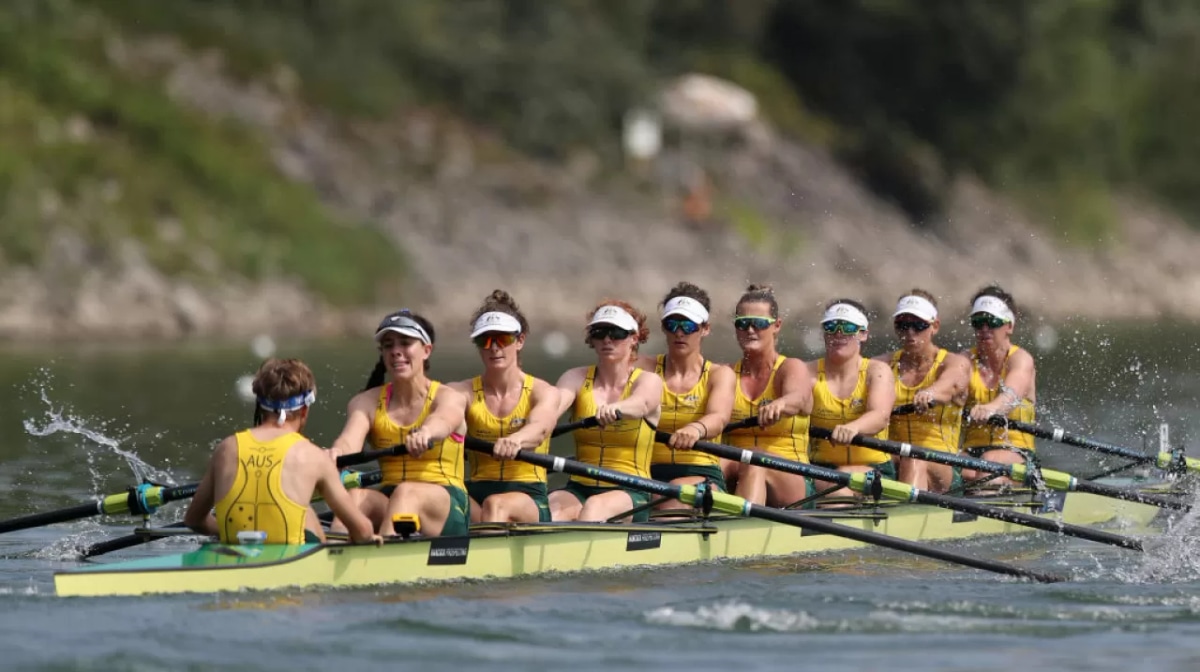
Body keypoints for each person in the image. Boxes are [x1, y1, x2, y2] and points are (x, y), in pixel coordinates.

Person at [184, 358, 380, 546]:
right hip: (293, 564)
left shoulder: (226, 448)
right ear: (304, 411)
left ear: (260, 407)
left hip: (232, 554)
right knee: (306, 512)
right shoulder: (313, 456)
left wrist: (227, 531)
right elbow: (362, 531)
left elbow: (193, 520)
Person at [328, 310, 470, 537]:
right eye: (388, 345)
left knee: (406, 493)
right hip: (391, 498)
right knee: (354, 497)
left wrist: (426, 433)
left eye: (405, 343)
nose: (396, 352)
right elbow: (349, 441)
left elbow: (443, 420)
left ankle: (382, 560)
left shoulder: (449, 397)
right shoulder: (366, 402)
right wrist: (337, 453)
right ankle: (334, 554)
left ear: (426, 350)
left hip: (445, 503)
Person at [448, 291, 559, 524]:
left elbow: (540, 428)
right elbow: (442, 413)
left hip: (528, 495)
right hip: (476, 491)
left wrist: (516, 440)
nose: (494, 347)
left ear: (520, 341)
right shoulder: (460, 392)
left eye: (502, 339)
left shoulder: (543, 392)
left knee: (496, 504)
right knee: (434, 495)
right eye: (484, 340)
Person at [549, 301, 663, 522]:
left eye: (616, 333)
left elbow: (641, 404)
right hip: (579, 487)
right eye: (600, 332)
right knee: (550, 510)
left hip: (632, 490)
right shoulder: (575, 377)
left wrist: (617, 408)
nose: (607, 340)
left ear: (634, 339)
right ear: (592, 339)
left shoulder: (649, 380)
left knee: (594, 507)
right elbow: (551, 407)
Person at [635, 282, 735, 509]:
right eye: (672, 324)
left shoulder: (719, 375)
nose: (679, 332)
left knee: (669, 498)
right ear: (663, 328)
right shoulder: (643, 367)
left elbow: (719, 417)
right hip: (644, 471)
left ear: (705, 328)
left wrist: (696, 429)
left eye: (688, 326)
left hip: (699, 473)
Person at [722, 285, 813, 507]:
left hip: (792, 477)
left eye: (760, 323)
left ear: (777, 326)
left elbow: (798, 398)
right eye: (743, 323)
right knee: (708, 464)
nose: (750, 330)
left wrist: (780, 404)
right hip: (738, 467)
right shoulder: (724, 373)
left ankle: (743, 531)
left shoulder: (791, 368)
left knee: (754, 458)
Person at [875, 291, 970, 492]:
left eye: (918, 325)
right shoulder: (880, 365)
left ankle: (904, 518)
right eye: (903, 324)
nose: (910, 332)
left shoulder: (954, 363)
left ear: (934, 326)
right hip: (892, 456)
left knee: (913, 459)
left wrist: (931, 394)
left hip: (942, 463)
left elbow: (950, 385)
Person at [807, 299, 896, 497]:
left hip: (874, 468)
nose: (838, 333)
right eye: (831, 326)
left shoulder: (877, 371)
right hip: (821, 468)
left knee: (842, 483)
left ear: (863, 333)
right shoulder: (808, 373)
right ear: (824, 333)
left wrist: (854, 427)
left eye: (847, 327)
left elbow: (880, 416)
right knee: (839, 487)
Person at [960, 286, 1037, 482]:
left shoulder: (1021, 359)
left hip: (1016, 451)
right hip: (971, 451)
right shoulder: (964, 361)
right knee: (951, 471)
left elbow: (1011, 395)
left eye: (992, 322)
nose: (984, 329)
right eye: (978, 323)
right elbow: (948, 388)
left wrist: (992, 408)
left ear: (1009, 326)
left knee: (988, 465)